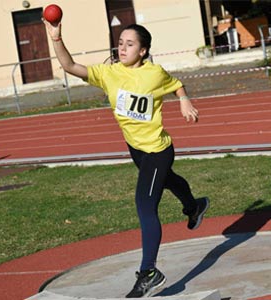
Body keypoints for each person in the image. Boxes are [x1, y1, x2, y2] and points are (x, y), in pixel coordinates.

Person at [43, 21, 209, 297]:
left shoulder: (154, 74)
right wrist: (56, 38)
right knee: (168, 180)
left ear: (143, 51)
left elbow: (177, 85)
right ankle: (194, 206)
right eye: (120, 42)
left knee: (145, 205)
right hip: (136, 150)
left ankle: (149, 273)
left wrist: (184, 100)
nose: (122, 48)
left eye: (129, 44)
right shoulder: (109, 73)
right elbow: (71, 67)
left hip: (157, 150)